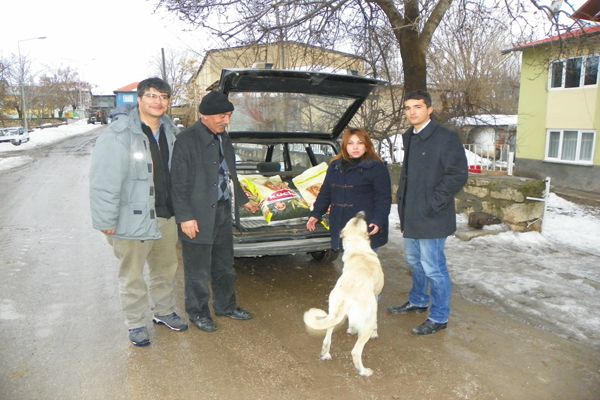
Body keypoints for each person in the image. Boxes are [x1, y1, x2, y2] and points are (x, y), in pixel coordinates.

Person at [89, 77, 188, 347]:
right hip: (130, 220)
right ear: (140, 99)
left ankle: (164, 312)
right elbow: (103, 181)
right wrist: (105, 220)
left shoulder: (171, 132)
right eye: (153, 96)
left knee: (165, 270)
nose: (159, 102)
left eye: (164, 97)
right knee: (132, 276)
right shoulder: (119, 135)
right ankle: (135, 323)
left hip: (165, 217)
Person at [170, 91, 257, 333]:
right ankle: (198, 312)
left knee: (224, 265)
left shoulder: (223, 138)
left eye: (228, 115)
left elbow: (229, 173)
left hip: (220, 211)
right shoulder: (186, 140)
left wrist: (242, 199)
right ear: (204, 116)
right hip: (196, 215)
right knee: (197, 269)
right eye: (221, 116)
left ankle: (225, 306)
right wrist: (185, 217)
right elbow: (178, 184)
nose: (226, 120)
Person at [387, 90, 468, 335]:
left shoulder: (445, 137)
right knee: (414, 262)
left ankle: (439, 316)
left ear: (429, 109)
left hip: (433, 216)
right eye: (408, 107)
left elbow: (457, 174)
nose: (412, 112)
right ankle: (418, 300)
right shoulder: (409, 136)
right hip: (411, 214)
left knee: (434, 267)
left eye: (417, 107)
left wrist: (434, 202)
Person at [306, 128, 391, 252]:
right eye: (350, 143)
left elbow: (383, 198)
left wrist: (378, 221)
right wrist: (316, 214)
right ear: (345, 146)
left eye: (360, 143)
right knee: (350, 265)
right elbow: (326, 193)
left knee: (365, 268)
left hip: (364, 225)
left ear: (367, 146)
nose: (355, 147)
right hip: (342, 225)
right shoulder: (335, 166)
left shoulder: (376, 167)